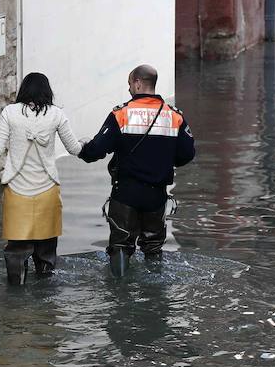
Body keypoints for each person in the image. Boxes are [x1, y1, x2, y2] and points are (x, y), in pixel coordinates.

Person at [78, 64, 196, 278]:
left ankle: (120, 294)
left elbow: (96, 150)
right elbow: (187, 154)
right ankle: (155, 294)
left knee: (120, 246)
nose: (130, 89)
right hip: (156, 195)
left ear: (138, 83)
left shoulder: (121, 114)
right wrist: (164, 162)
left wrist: (82, 150)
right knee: (153, 247)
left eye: (130, 84)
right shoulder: (174, 116)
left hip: (125, 194)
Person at [0, 73, 82, 285]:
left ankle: (16, 296)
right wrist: (85, 143)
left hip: (17, 193)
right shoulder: (56, 114)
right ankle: (45, 297)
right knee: (46, 251)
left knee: (16, 250)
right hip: (47, 192)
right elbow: (74, 149)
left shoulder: (10, 112)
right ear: (47, 91)